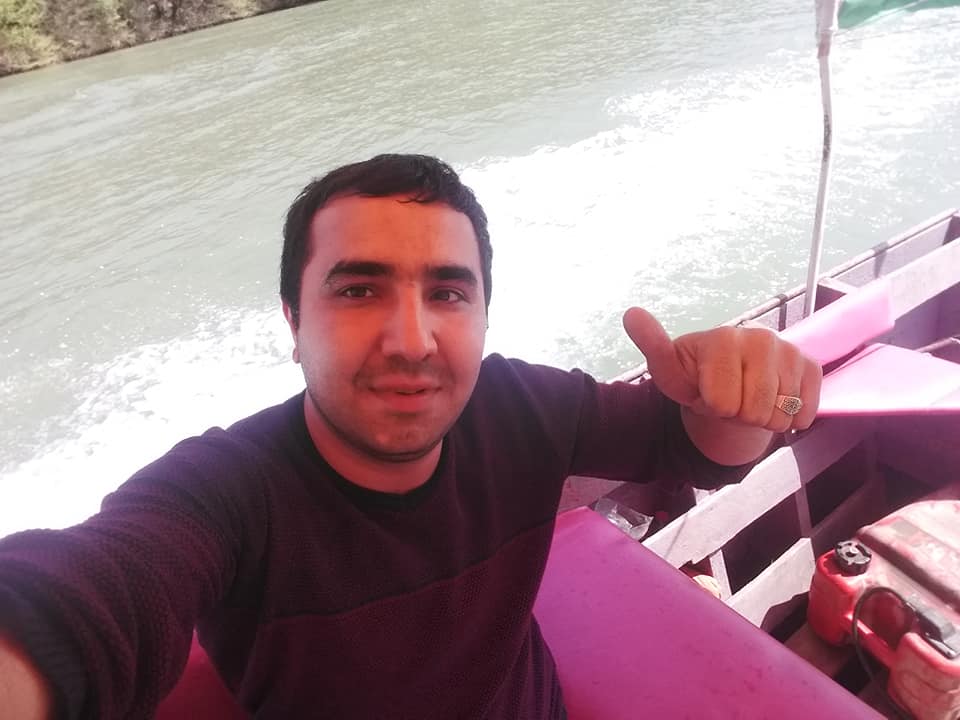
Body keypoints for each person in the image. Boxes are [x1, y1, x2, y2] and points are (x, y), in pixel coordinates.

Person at [0, 154, 821, 720]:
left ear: (484, 314)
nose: (412, 341)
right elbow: (90, 599)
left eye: (448, 294)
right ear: (293, 323)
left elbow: (692, 453)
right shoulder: (225, 492)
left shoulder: (520, 408)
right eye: (358, 290)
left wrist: (734, 401)